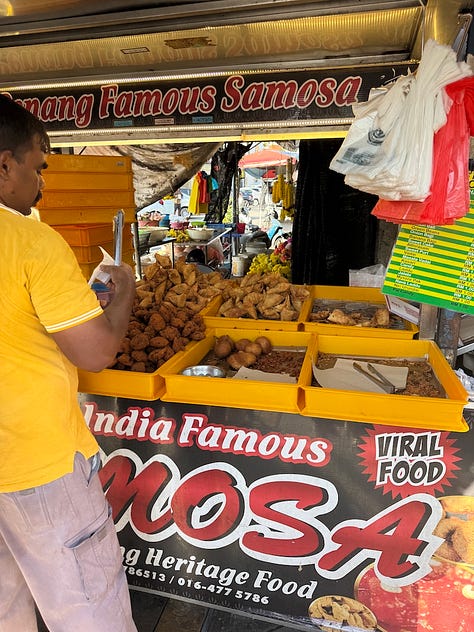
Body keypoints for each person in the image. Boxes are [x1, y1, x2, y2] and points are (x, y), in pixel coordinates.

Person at [0, 95, 138, 631]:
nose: (41, 184)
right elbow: (97, 353)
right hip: (39, 469)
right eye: (38, 168)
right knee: (89, 614)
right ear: (5, 165)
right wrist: (123, 295)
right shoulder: (31, 241)